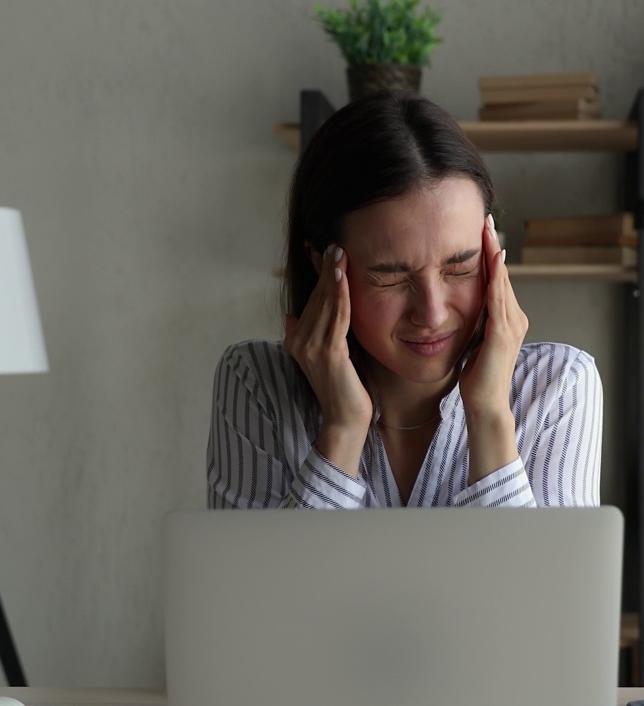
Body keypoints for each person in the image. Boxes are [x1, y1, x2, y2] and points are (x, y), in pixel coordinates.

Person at [206, 92, 602, 509]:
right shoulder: (258, 385)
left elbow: (538, 577)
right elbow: (261, 577)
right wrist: (342, 429)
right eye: (390, 276)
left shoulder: (559, 387)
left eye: (460, 267)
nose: (431, 312)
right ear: (321, 264)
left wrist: (489, 416)